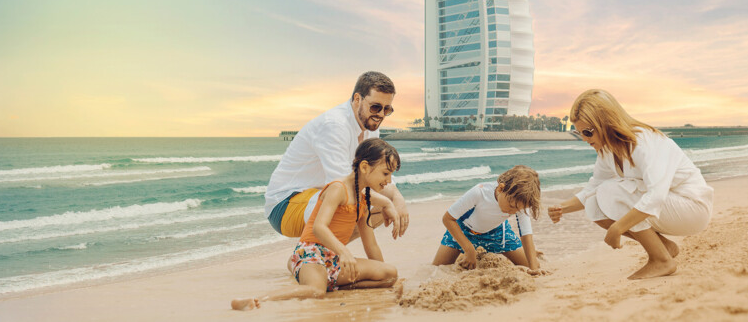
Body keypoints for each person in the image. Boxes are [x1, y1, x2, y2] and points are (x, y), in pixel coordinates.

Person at [548, 89, 713, 280]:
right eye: (579, 133)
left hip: (692, 208)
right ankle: (664, 248)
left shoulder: (642, 141)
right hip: (670, 208)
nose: (584, 139)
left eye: (587, 132)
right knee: (594, 204)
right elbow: (593, 187)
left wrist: (617, 228)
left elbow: (656, 195)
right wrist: (562, 208)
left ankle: (661, 260)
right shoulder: (607, 150)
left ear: (605, 122)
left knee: (612, 191)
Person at [232, 138, 403, 310]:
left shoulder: (363, 199)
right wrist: (344, 251)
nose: (389, 180)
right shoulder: (338, 189)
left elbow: (371, 244)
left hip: (334, 259)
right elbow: (319, 227)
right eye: (386, 173)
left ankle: (331, 283)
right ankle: (257, 300)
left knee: (390, 275)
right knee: (316, 291)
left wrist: (383, 270)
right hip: (311, 252)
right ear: (365, 167)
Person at [264, 71, 409, 241]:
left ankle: (322, 258)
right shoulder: (334, 126)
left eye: (387, 109)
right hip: (284, 206)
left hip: (315, 198)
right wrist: (386, 202)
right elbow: (344, 187)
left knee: (376, 207)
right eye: (376, 107)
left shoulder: (371, 126)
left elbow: (374, 176)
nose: (381, 114)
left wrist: (398, 198)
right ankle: (307, 259)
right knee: (352, 202)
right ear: (357, 99)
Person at [431, 165, 547, 275]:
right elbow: (448, 219)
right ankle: (467, 251)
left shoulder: (519, 202)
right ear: (501, 188)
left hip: (497, 233)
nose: (512, 212)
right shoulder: (479, 192)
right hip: (465, 230)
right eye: (511, 207)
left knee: (535, 264)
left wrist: (534, 269)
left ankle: (529, 252)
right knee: (436, 269)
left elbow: (526, 233)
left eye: (517, 210)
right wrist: (469, 250)